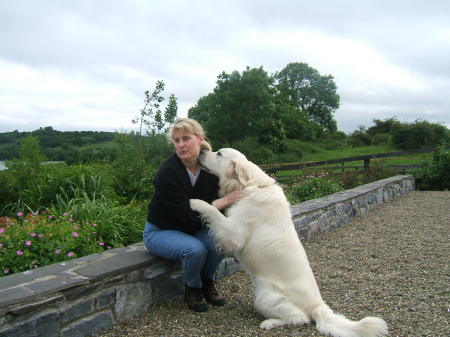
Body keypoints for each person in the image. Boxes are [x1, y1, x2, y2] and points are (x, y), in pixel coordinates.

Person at [143, 117, 241, 312]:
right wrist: (222, 202)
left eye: (186, 138)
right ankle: (192, 289)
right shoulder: (167, 173)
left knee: (219, 242)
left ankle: (207, 282)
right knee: (195, 250)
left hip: (195, 226)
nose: (180, 145)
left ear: (200, 139)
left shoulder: (212, 168)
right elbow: (185, 220)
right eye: (176, 140)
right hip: (161, 231)